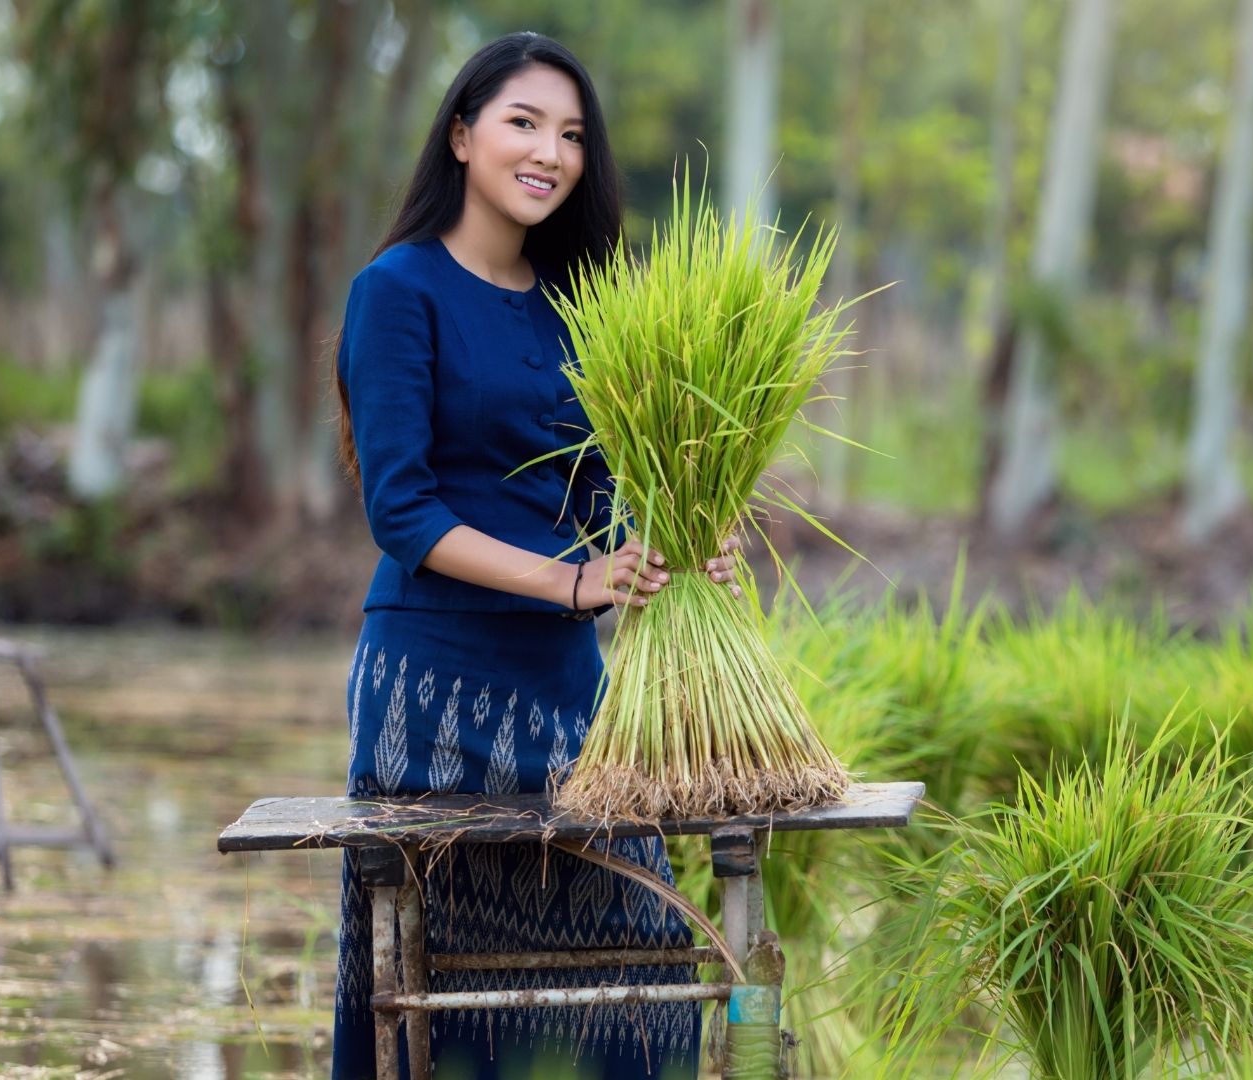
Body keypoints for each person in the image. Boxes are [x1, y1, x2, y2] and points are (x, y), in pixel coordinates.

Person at [329, 31, 737, 1080]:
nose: (550, 152)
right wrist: (573, 582)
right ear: (462, 136)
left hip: (568, 690)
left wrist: (680, 543)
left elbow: (603, 496)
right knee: (430, 985)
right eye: (524, 123)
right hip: (434, 693)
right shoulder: (397, 290)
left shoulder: (582, 306)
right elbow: (403, 514)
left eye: (572, 135)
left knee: (645, 983)